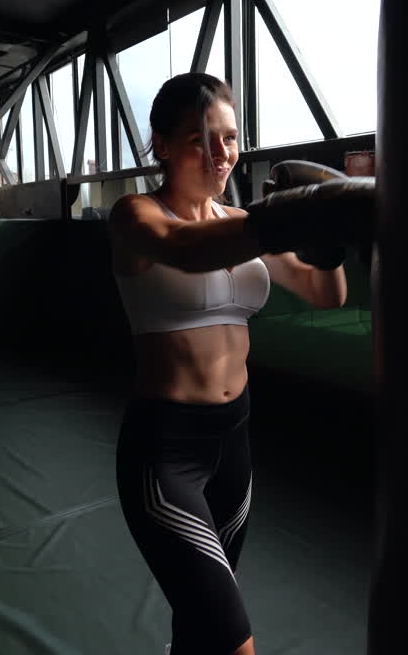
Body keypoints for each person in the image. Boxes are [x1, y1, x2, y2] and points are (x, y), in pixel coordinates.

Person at [107, 72, 372, 655]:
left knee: (201, 622)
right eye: (203, 138)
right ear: (163, 145)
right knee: (232, 639)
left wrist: (323, 243)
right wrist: (289, 215)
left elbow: (326, 295)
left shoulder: (239, 225)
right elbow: (186, 251)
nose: (222, 152)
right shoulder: (136, 215)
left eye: (229, 137)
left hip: (234, 447)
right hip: (165, 455)